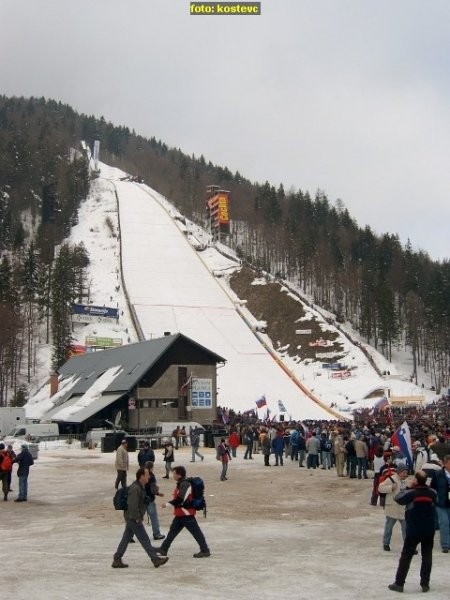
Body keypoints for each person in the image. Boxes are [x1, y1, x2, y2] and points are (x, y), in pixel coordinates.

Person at [388, 470, 437, 593]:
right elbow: (435, 501)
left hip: (413, 529)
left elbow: (397, 498)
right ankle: (425, 584)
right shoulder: (432, 493)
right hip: (428, 529)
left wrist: (407, 487)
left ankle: (399, 583)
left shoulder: (411, 493)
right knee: (427, 556)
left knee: (406, 556)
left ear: (415, 480)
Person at [112, 467, 169, 569]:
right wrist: (137, 517)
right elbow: (132, 504)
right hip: (133, 518)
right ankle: (155, 559)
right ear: (141, 476)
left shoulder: (140, 486)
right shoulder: (135, 488)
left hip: (131, 518)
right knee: (145, 539)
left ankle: (117, 559)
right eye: (147, 474)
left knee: (126, 538)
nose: (149, 476)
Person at [157, 465, 210, 558]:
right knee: (172, 532)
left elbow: (180, 499)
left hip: (186, 514)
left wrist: (167, 504)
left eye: (174, 473)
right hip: (181, 513)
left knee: (196, 533)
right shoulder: (181, 483)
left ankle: (205, 550)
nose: (173, 475)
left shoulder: (185, 484)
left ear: (179, 475)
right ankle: (163, 549)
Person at [378, 462, 408, 551]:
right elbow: (380, 488)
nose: (405, 474)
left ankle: (408, 546)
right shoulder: (391, 479)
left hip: (403, 509)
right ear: (399, 472)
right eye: (404, 472)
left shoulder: (406, 481)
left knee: (406, 529)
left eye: (406, 472)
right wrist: (391, 488)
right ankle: (386, 543)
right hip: (392, 508)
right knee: (389, 528)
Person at [431, 454, 450, 553]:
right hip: (441, 503)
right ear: (445, 463)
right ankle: (445, 545)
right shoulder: (438, 474)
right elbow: (433, 488)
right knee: (444, 523)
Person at [144, 461, 165, 541]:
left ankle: (130, 535)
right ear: (151, 467)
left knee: (137, 517)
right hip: (149, 499)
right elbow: (153, 489)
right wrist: (158, 493)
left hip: (141, 498)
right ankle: (156, 534)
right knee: (154, 517)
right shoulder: (151, 476)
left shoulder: (141, 474)